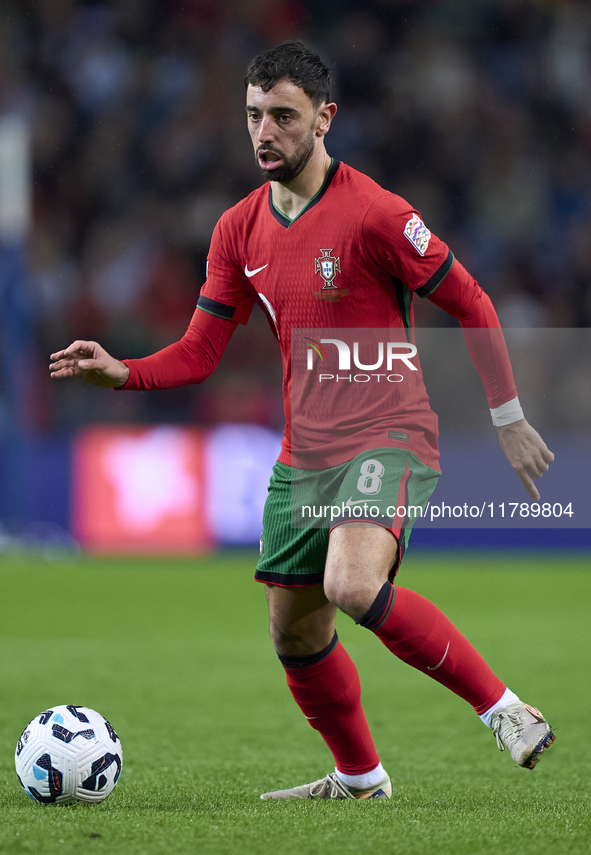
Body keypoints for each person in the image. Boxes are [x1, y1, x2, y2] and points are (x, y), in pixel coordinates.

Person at [50, 41, 556, 801]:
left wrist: (508, 417)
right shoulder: (237, 230)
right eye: (254, 115)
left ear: (324, 119)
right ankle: (359, 777)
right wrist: (125, 371)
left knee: (352, 584)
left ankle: (506, 709)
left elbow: (472, 302)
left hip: (389, 430)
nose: (265, 132)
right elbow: (200, 350)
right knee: (294, 631)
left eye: (283, 117)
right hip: (304, 453)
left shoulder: (376, 213)